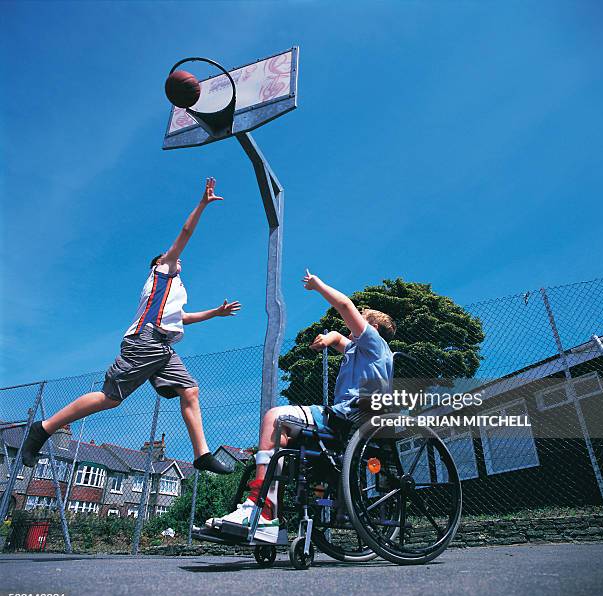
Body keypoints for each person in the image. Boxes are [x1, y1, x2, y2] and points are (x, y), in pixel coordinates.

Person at [21, 177, 239, 475]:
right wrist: (202, 204)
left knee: (190, 390)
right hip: (145, 342)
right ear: (160, 262)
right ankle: (43, 429)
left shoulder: (170, 289)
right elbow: (186, 232)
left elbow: (182, 318)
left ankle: (201, 454)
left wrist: (215, 312)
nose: (179, 261)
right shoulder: (162, 271)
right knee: (111, 399)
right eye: (172, 257)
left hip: (163, 347)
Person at [203, 269, 396, 541]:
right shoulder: (361, 351)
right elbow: (341, 340)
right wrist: (329, 338)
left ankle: (261, 510)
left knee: (274, 416)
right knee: (279, 437)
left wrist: (317, 285)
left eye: (361, 322)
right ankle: (268, 518)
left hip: (346, 420)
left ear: (372, 329)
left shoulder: (375, 345)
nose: (355, 326)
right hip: (346, 423)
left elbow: (344, 305)